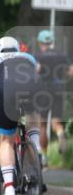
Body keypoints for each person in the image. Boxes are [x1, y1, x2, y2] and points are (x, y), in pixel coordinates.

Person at [0, 36, 44, 195]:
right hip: (32, 88)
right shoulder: (28, 57)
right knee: (33, 116)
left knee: (6, 140)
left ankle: (9, 188)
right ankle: (36, 149)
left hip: (8, 90)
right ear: (17, 49)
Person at [34, 29, 71, 159]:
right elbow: (71, 71)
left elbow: (36, 70)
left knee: (42, 125)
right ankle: (60, 133)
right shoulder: (61, 55)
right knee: (56, 122)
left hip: (43, 90)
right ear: (51, 42)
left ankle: (44, 157)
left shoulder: (38, 56)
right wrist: (64, 76)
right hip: (58, 88)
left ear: (40, 42)